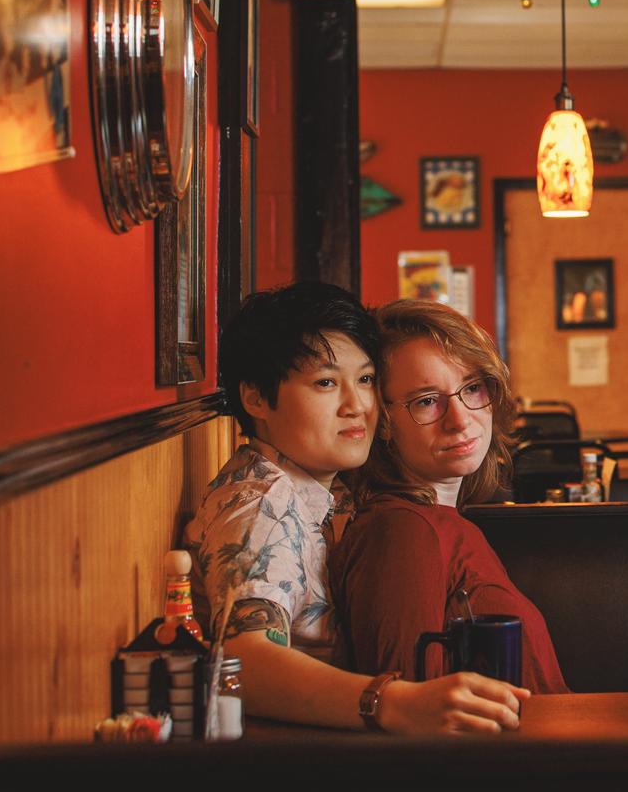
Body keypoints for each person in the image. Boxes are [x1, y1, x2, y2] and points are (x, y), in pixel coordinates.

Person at [185, 282, 530, 733]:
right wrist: (395, 702)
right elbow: (242, 662)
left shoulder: (325, 492)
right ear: (256, 398)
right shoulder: (263, 504)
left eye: (366, 380)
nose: (357, 406)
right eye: (326, 383)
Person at [331, 299, 569, 694]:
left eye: (472, 388)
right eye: (426, 400)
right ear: (383, 421)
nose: (460, 419)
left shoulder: (441, 522)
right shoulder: (403, 530)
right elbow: (410, 708)